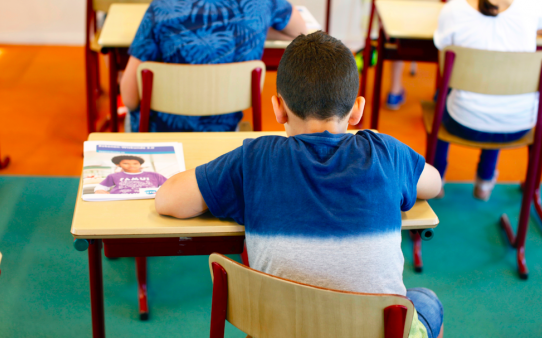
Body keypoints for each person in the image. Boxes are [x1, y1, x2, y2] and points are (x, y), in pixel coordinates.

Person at [155, 32, 444, 338]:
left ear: (278, 108)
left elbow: (168, 200)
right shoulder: (385, 154)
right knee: (426, 301)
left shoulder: (255, 159)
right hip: (371, 330)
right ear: (357, 110)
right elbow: (434, 183)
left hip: (279, 329)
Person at [433, 0, 542, 200]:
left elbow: (443, 47)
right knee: (502, 91)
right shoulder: (533, 5)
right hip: (518, 126)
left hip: (462, 122)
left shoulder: (453, 10)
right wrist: (532, 28)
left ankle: (435, 180)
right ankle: (485, 181)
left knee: (441, 96)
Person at [120, 0, 307, 132]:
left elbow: (130, 98)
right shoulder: (261, 4)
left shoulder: (161, 7)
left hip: (159, 134)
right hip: (222, 133)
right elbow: (300, 31)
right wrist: (259, 29)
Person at [94, 155, 167, 194]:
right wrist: (99, 190)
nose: (131, 165)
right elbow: (101, 187)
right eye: (125, 163)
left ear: (140, 164)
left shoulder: (154, 175)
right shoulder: (113, 176)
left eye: (135, 163)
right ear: (118, 164)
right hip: (119, 201)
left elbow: (168, 185)